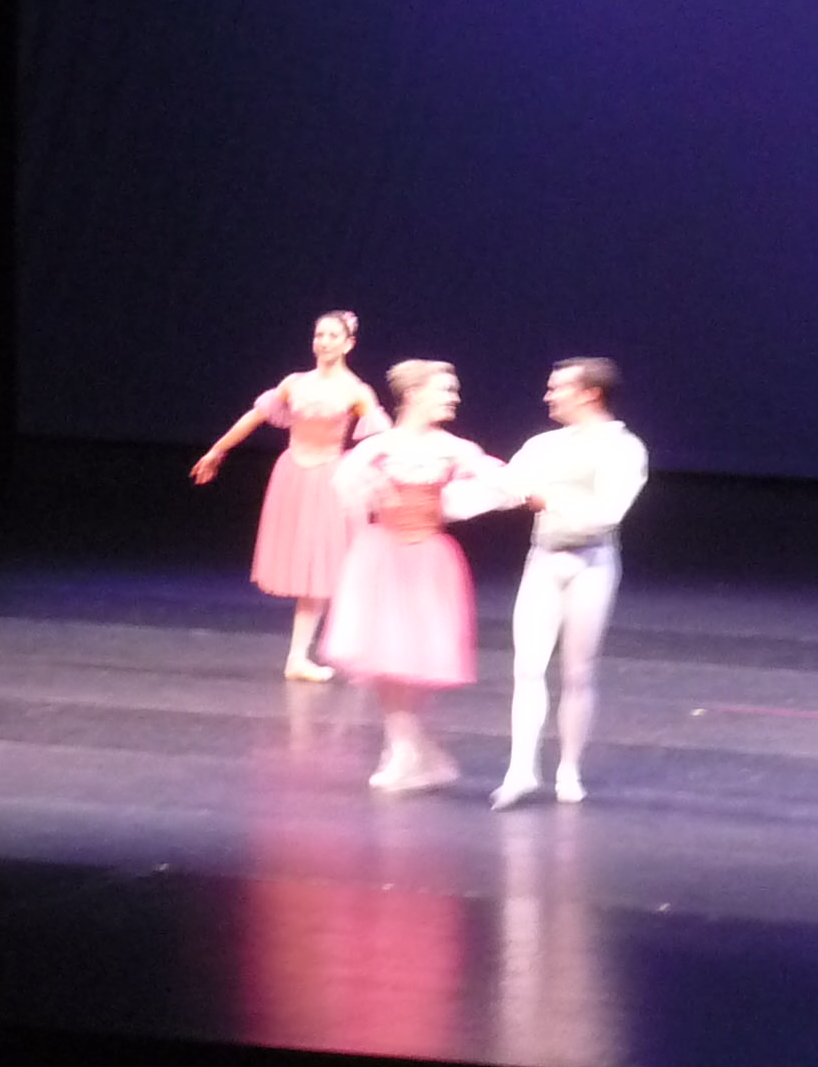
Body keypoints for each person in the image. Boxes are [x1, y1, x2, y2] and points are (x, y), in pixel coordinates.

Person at [324, 361, 501, 792]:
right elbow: (345, 482)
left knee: (410, 660)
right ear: (413, 394)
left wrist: (449, 503)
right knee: (388, 659)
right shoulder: (379, 448)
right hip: (382, 556)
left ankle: (411, 752)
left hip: (427, 559)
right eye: (445, 389)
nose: (454, 397)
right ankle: (410, 752)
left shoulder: (455, 449)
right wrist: (371, 492)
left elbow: (500, 483)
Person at [191, 312, 386, 680]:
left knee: (337, 569)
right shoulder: (295, 383)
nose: (323, 341)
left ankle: (354, 651)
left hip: (332, 480)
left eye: (332, 336)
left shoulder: (357, 391)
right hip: (295, 476)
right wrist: (218, 450)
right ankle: (298, 658)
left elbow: (381, 442)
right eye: (319, 335)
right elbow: (254, 417)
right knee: (313, 569)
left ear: (349, 344)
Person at [491, 358, 649, 809]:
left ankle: (569, 768)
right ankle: (521, 769)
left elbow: (607, 513)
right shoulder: (542, 444)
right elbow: (505, 487)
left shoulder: (624, 448)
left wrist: (548, 499)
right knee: (527, 666)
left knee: (577, 672)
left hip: (592, 565)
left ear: (589, 393)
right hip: (543, 559)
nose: (548, 396)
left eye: (557, 387)